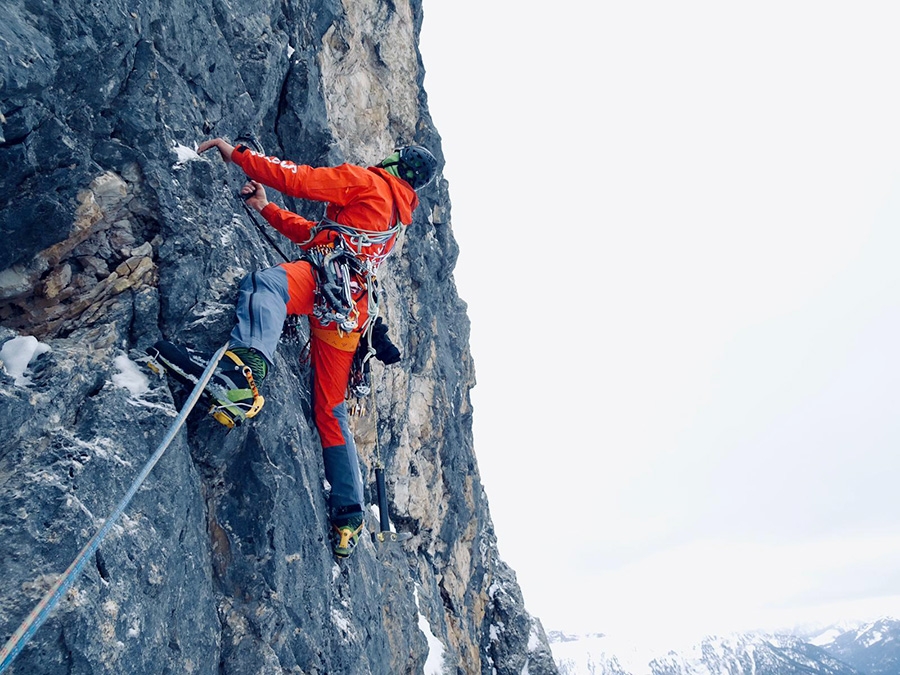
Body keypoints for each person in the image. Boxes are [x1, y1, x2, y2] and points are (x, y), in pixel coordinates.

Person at [150, 138, 437, 558]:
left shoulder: (367, 183)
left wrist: (239, 156)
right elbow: (323, 238)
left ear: (396, 161)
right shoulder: (396, 218)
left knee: (266, 286)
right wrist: (266, 209)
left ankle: (239, 378)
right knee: (331, 410)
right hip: (348, 311)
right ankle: (348, 515)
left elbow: (300, 180)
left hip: (323, 288)